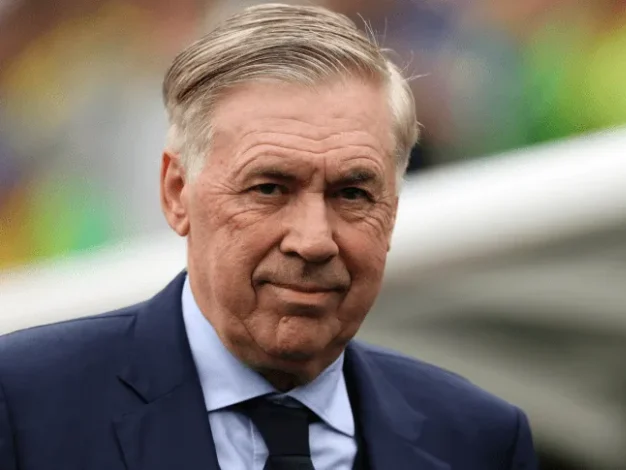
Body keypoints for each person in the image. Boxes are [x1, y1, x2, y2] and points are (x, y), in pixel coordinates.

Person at [0, 4, 538, 469]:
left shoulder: (477, 441)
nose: (314, 240)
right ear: (177, 192)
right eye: (269, 188)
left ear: (393, 211)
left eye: (352, 194)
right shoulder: (24, 406)